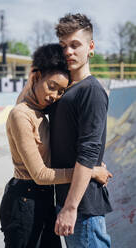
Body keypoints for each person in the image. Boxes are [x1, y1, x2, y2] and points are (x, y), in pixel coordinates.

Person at [0, 43, 111, 248]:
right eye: (52, 86)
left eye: (61, 91)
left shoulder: (42, 110)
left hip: (44, 200)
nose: (54, 96)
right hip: (24, 201)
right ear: (35, 77)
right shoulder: (20, 115)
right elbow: (41, 175)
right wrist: (90, 172)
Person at [50, 13, 113, 247]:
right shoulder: (63, 90)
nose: (68, 52)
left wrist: (70, 207)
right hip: (67, 202)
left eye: (75, 45)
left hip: (82, 208)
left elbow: (88, 150)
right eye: (63, 46)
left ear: (91, 47)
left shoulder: (91, 90)